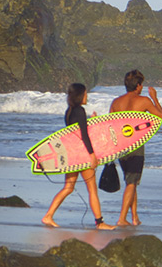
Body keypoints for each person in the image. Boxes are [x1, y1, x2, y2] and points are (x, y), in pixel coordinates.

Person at [42, 83, 116, 230]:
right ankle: (99, 222)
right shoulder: (80, 111)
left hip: (72, 154)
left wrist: (91, 122)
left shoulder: (69, 112)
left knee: (68, 187)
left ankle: (48, 216)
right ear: (80, 95)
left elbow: (75, 133)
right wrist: (92, 155)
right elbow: (84, 136)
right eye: (85, 93)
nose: (86, 96)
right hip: (82, 155)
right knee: (92, 189)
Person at [109, 70, 162, 226]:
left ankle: (134, 217)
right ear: (138, 86)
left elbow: (110, 128)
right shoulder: (144, 101)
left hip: (120, 146)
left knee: (130, 182)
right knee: (132, 182)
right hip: (135, 146)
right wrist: (154, 98)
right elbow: (161, 117)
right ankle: (121, 219)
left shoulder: (116, 102)